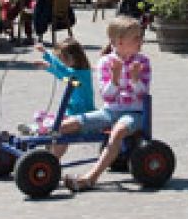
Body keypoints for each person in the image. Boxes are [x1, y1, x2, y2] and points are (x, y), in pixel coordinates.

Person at [60, 16, 150, 193]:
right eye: (136, 38)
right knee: (63, 126)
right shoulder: (105, 62)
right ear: (120, 41)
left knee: (117, 132)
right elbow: (107, 96)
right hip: (110, 111)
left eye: (140, 37)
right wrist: (115, 79)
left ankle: (90, 179)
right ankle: (50, 167)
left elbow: (142, 94)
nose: (141, 41)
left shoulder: (143, 62)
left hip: (135, 114)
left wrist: (134, 79)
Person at [22, 38, 94, 136]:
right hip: (72, 112)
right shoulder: (73, 74)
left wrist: (47, 60)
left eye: (62, 58)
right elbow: (62, 73)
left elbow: (63, 72)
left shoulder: (81, 74)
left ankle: (38, 129)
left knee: (55, 125)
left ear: (73, 57)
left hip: (82, 114)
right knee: (43, 116)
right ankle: (40, 128)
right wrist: (47, 60)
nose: (60, 61)